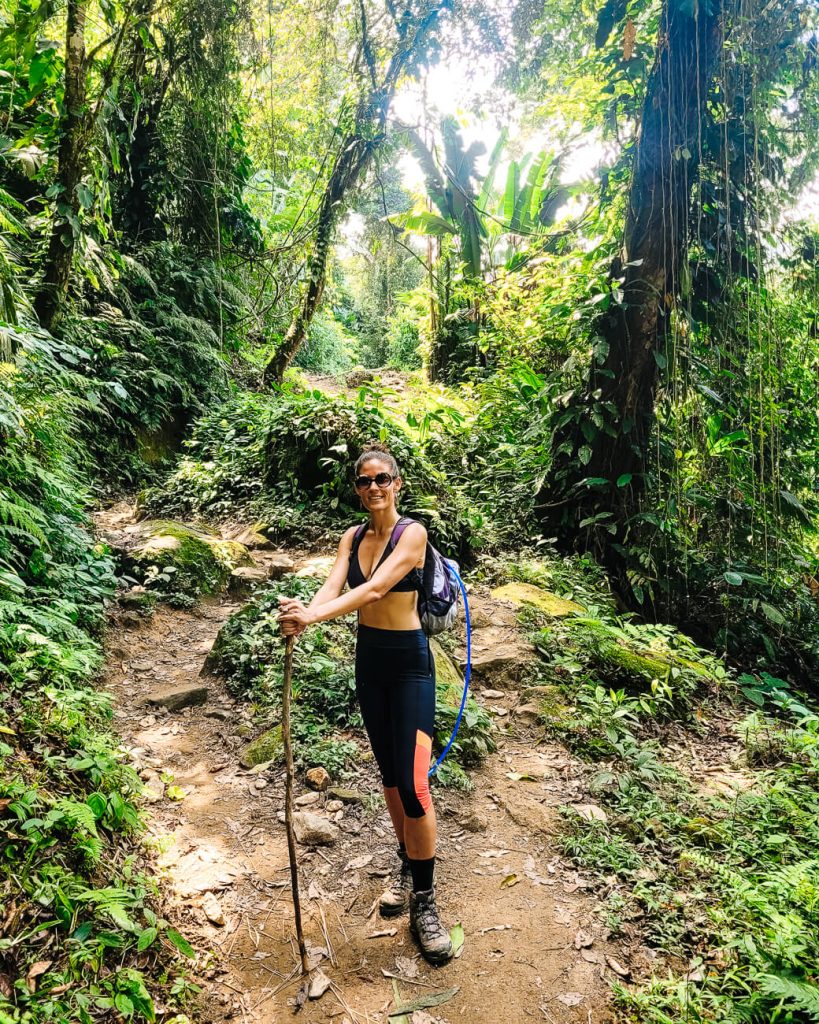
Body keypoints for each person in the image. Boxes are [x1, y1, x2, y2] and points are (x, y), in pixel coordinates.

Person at [277, 442, 453, 966]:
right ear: (357, 490)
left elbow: (376, 590)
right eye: (364, 481)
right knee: (391, 780)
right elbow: (335, 583)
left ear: (397, 484)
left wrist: (314, 618)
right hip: (369, 665)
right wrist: (300, 612)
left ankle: (425, 900)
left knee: (416, 783)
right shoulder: (351, 537)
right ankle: (406, 864)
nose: (373, 487)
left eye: (382, 479)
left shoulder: (412, 534)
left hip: (409, 666)